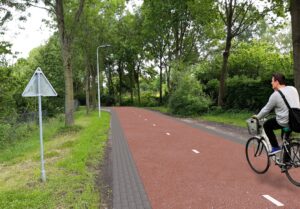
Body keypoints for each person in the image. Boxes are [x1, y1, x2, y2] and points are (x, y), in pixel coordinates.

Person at [253, 73, 300, 155]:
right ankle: (287, 161)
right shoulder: (293, 89)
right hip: (296, 120)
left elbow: (265, 110)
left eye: (272, 81)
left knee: (267, 125)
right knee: (285, 139)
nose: (271, 83)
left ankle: (275, 147)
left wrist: (257, 117)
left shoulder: (275, 95)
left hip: (285, 121)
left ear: (277, 82)